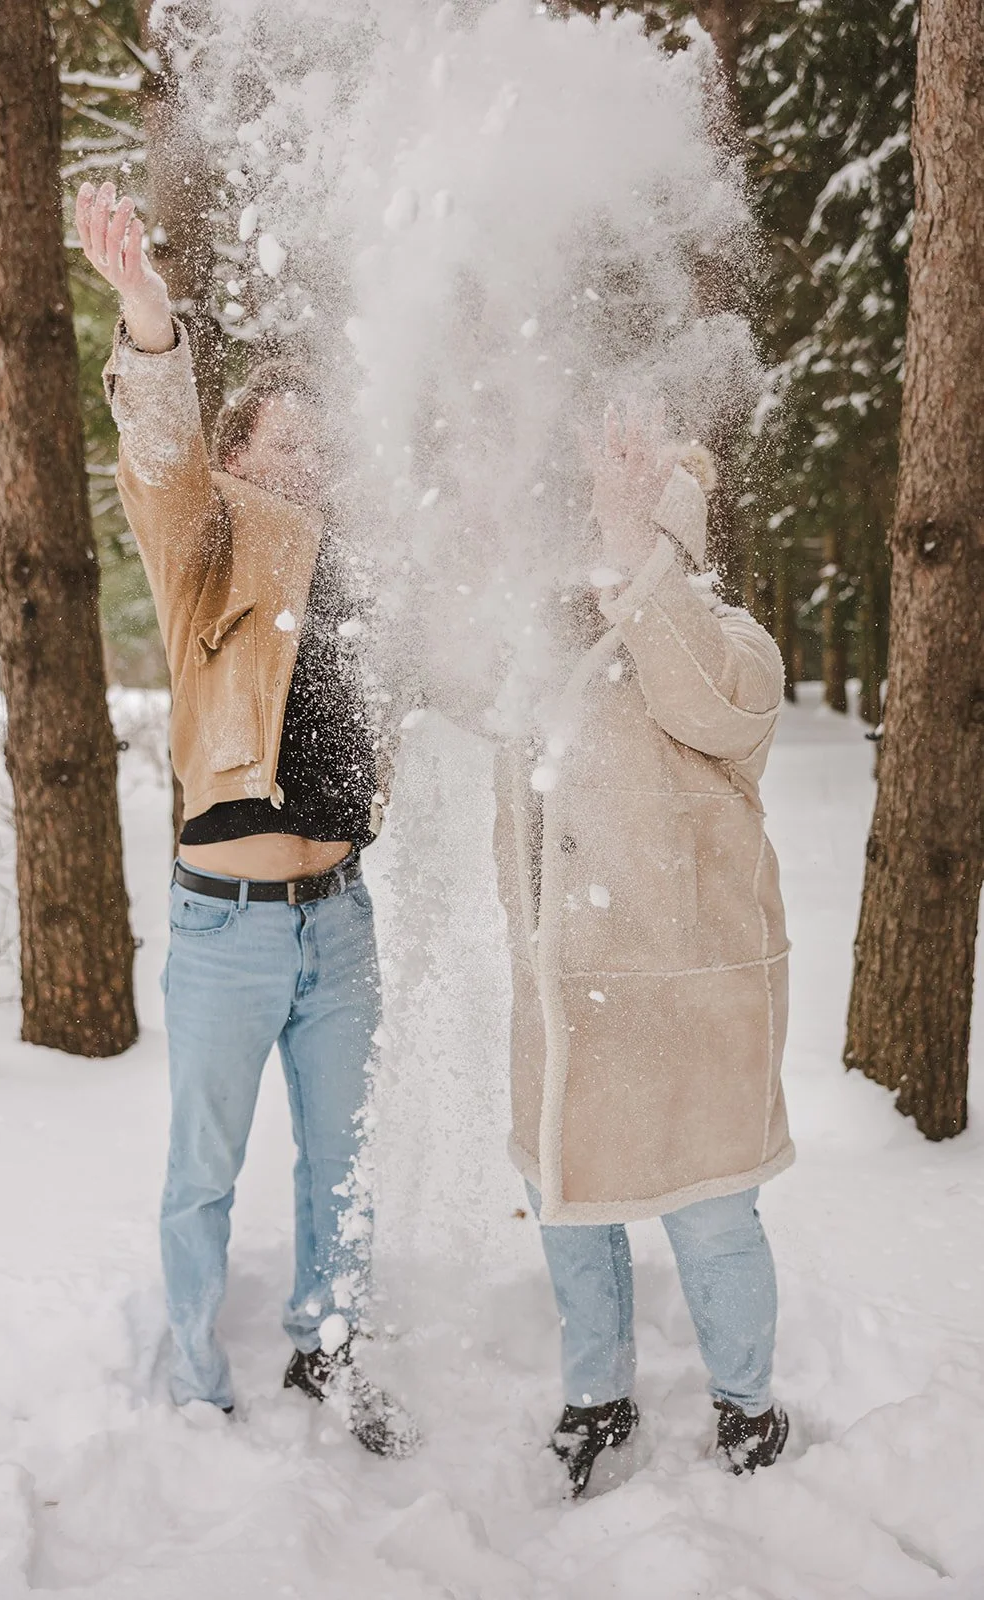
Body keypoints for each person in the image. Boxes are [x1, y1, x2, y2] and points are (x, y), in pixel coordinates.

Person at [75, 180, 416, 1457]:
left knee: (341, 1168)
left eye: (319, 452)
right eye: (282, 448)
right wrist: (150, 324)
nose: (305, 468)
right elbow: (158, 460)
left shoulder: (359, 565)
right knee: (203, 1171)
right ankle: (193, 1376)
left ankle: (331, 1349)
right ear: (233, 457)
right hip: (225, 930)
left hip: (339, 923)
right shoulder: (206, 544)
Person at [494, 399, 792, 1496]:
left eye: (625, 519)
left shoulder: (730, 647)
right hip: (567, 1011)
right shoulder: (535, 661)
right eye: (588, 516)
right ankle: (596, 1392)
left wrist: (639, 557)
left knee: (712, 1221)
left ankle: (747, 1405)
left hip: (689, 1011)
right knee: (570, 1216)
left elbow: (705, 698)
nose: (596, 540)